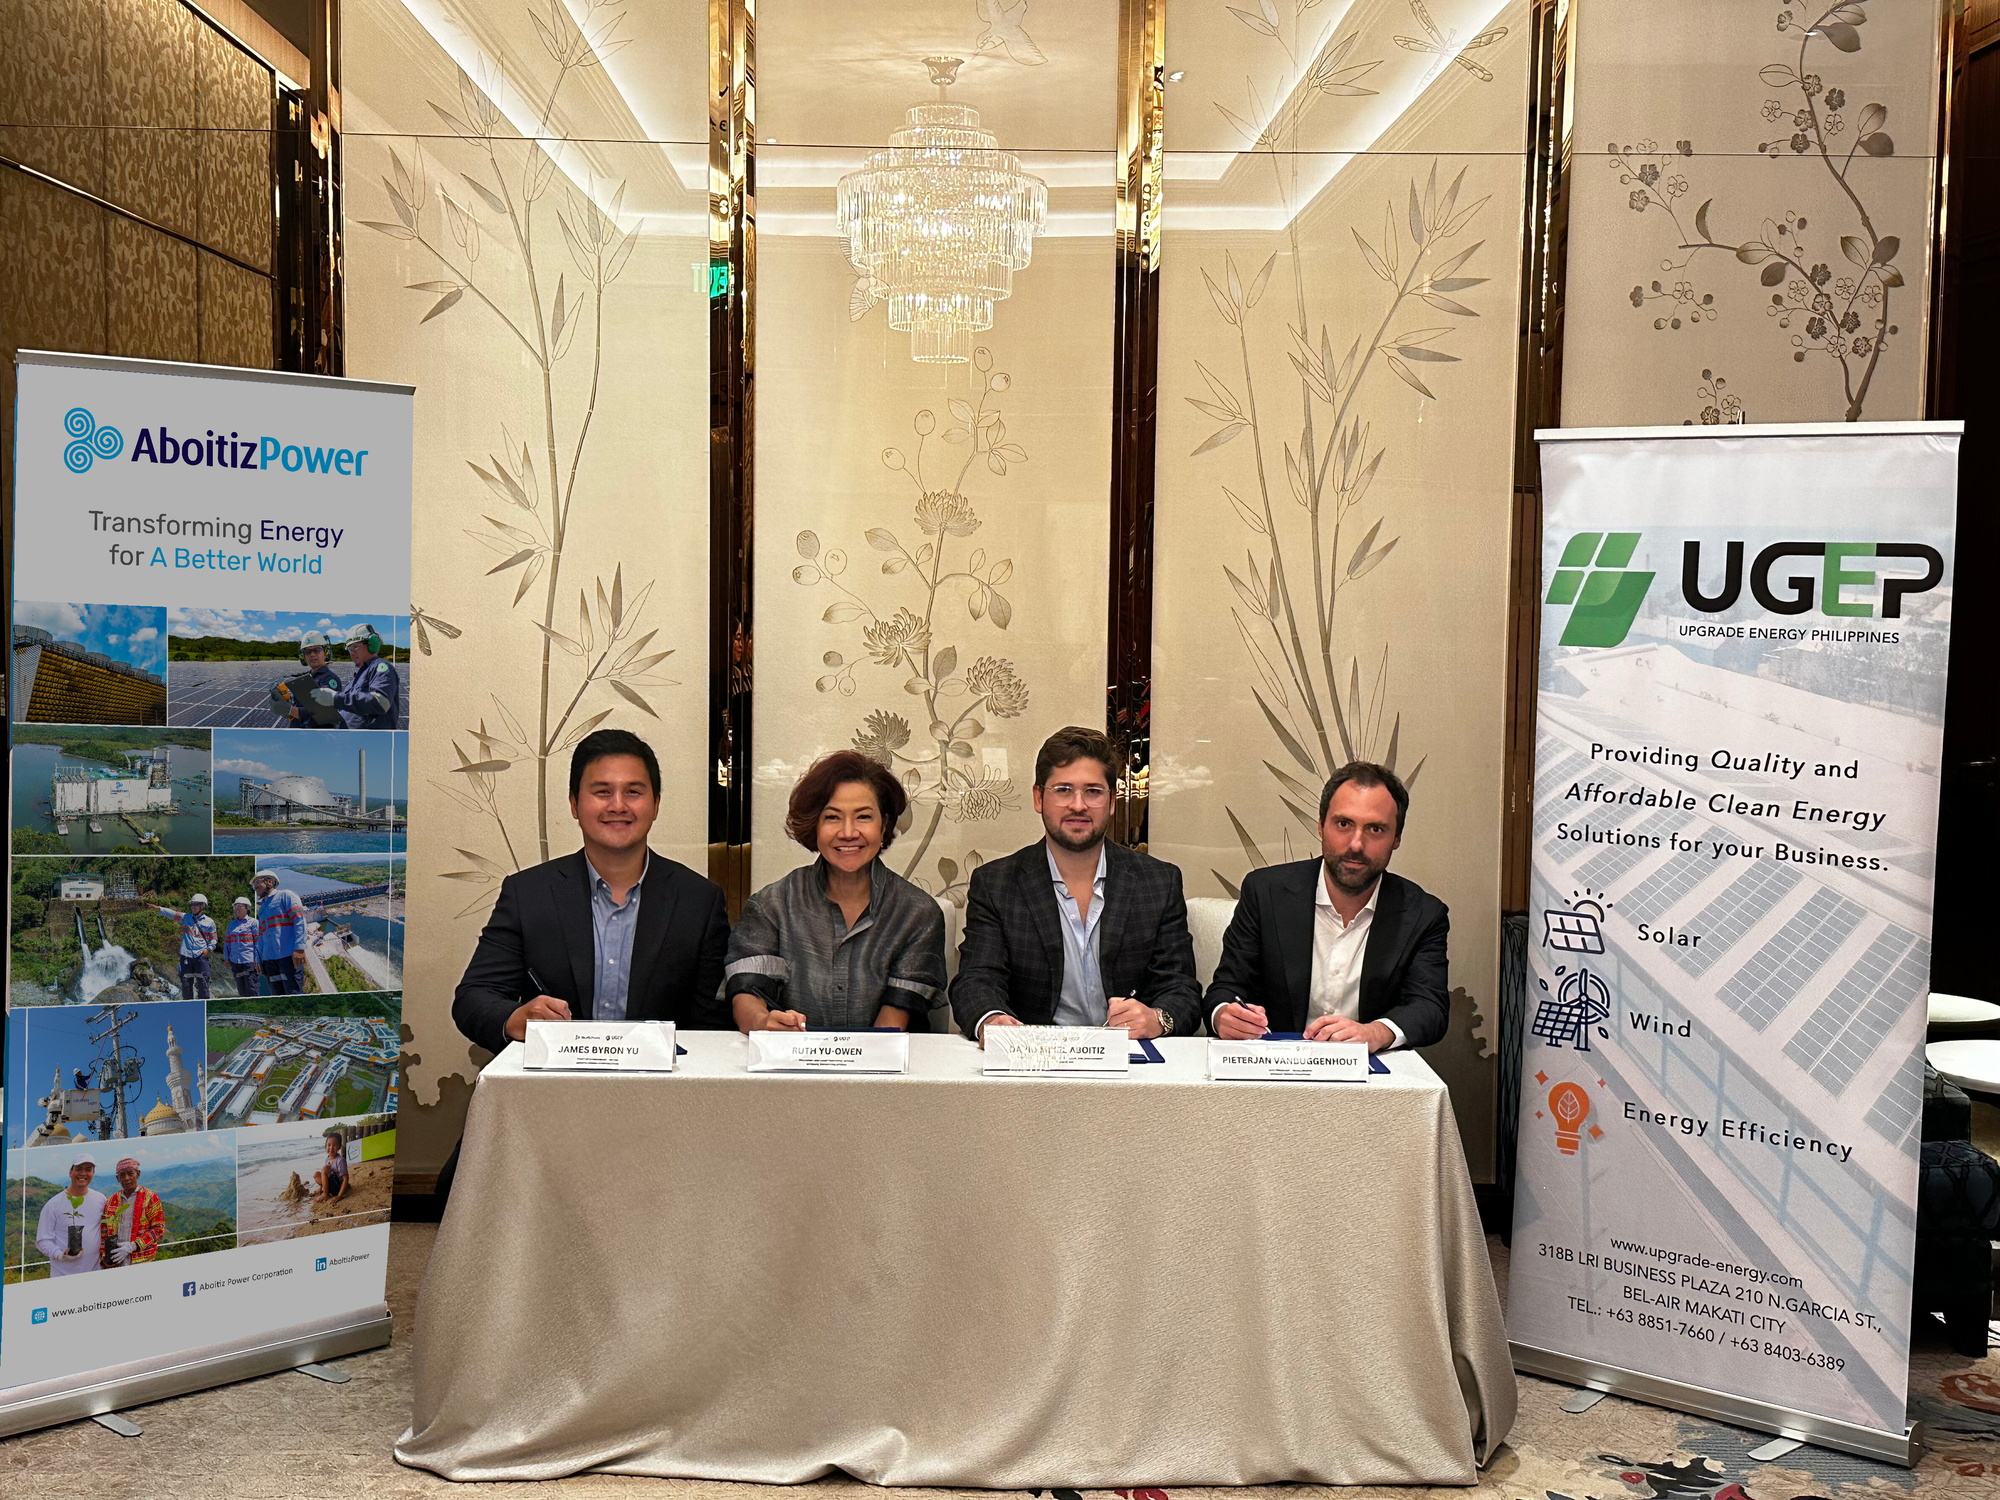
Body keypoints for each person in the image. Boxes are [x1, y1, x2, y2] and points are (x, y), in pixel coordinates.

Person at [453, 728, 731, 1054]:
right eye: (602, 792)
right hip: (554, 1080)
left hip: (662, 1080)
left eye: (633, 792)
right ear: (574, 804)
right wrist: (516, 1018)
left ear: (655, 805)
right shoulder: (528, 894)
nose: (618, 805)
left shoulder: (699, 901)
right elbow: (474, 997)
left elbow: (714, 1026)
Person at [949, 726, 1201, 1044]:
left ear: (1112, 801)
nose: (1078, 805)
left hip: (1131, 1057)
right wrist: (992, 1019)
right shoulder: (996, 884)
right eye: (1063, 790)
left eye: (1093, 791)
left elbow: (1181, 989)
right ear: (1039, 798)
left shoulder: (1158, 882)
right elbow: (977, 979)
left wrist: (1157, 1018)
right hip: (1035, 1057)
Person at [1206, 761, 1449, 1051]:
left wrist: (1376, 1032)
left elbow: (1430, 1007)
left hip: (1367, 1072)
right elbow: (1226, 988)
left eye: (1375, 829)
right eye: (1344, 824)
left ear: (1396, 839)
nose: (1356, 844)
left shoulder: (1424, 914)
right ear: (1321, 826)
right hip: (1275, 1064)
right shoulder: (1265, 892)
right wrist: (1224, 1015)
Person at [725, 751, 947, 1032]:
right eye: (832, 817)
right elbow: (747, 992)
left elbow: (891, 1026)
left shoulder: (917, 913)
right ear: (814, 825)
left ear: (884, 825)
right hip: (788, 1056)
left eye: (863, 817)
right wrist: (762, 1022)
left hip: (881, 1059)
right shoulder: (772, 904)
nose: (848, 832)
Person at [35, 1152, 107, 1278]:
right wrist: (60, 1255)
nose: (83, 1173)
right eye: (78, 1169)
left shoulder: (101, 1199)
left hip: (96, 1272)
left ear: (93, 1173)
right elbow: (43, 1240)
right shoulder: (53, 1204)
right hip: (63, 1275)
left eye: (88, 1170)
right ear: (70, 1172)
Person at [315, 622, 400, 729]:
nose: (352, 653)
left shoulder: (381, 667)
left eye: (355, 647)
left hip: (369, 738)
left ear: (372, 644)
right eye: (350, 649)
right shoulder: (354, 681)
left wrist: (336, 698)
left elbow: (381, 702)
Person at [98, 1156, 166, 1269]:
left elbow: (158, 1229)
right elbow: (104, 1231)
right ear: (117, 1178)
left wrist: (133, 1246)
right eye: (122, 1175)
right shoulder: (111, 1201)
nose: (126, 1178)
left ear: (138, 1174)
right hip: (115, 1263)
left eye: (130, 1173)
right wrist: (105, 1256)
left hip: (141, 1262)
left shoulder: (150, 1197)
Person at [252, 871, 309, 995]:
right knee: (277, 995)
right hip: (269, 962)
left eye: (258, 882)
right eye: (253, 884)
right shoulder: (262, 909)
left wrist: (299, 948)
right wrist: (258, 958)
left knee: (294, 994)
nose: (255, 886)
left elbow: (299, 920)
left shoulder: (285, 896)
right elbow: (261, 936)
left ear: (269, 882)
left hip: (288, 958)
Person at [156, 893, 218, 999]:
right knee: (186, 986)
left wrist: (209, 949)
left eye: (195, 904)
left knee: (203, 985)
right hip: (186, 956)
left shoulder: (210, 922)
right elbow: (172, 914)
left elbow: (214, 939)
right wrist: (159, 909)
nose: (192, 906)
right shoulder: (186, 917)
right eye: (191, 904)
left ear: (202, 906)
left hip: (201, 957)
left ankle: (203, 1005)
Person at [286, 630, 339, 727]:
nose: (312, 655)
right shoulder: (304, 680)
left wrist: (290, 710)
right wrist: (286, 705)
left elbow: (325, 715)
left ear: (326, 652)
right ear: (303, 657)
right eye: (308, 652)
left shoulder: (329, 679)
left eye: (316, 650)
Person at [223, 895, 262, 996]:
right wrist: (226, 957)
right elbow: (227, 942)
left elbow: (258, 942)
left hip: (249, 961)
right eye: (235, 907)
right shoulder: (231, 924)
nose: (237, 909)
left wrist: (257, 959)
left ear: (247, 908)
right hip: (235, 962)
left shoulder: (253, 923)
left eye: (239, 906)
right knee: (241, 990)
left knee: (251, 988)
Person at [313, 1130, 350, 1206]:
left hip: (337, 1188)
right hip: (330, 1185)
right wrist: (320, 1188)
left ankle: (326, 1194)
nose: (331, 1148)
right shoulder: (327, 1159)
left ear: (339, 1147)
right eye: (329, 1145)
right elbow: (324, 1176)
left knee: (325, 1168)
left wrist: (339, 1196)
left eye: (334, 1145)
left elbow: (345, 1179)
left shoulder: (340, 1161)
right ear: (326, 1146)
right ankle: (324, 1190)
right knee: (316, 1174)